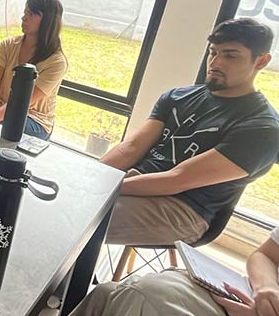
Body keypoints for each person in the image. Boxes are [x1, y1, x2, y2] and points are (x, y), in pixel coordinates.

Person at [101, 18, 279, 246]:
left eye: (230, 55)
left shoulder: (262, 128)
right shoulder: (177, 96)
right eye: (213, 53)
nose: (216, 62)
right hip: (137, 182)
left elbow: (178, 179)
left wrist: (106, 187)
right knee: (69, 199)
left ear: (261, 61)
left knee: (80, 216)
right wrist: (92, 176)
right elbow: (130, 149)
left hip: (183, 209)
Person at [54, 226, 279, 316]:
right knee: (108, 294)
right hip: (244, 298)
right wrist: (267, 287)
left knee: (146, 300)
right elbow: (264, 255)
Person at [0, 0, 68, 140]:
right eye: (25, 13)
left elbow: (24, 101)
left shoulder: (56, 62)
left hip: (34, 119)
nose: (24, 18)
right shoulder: (8, 45)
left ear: (48, 20)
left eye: (31, 14)